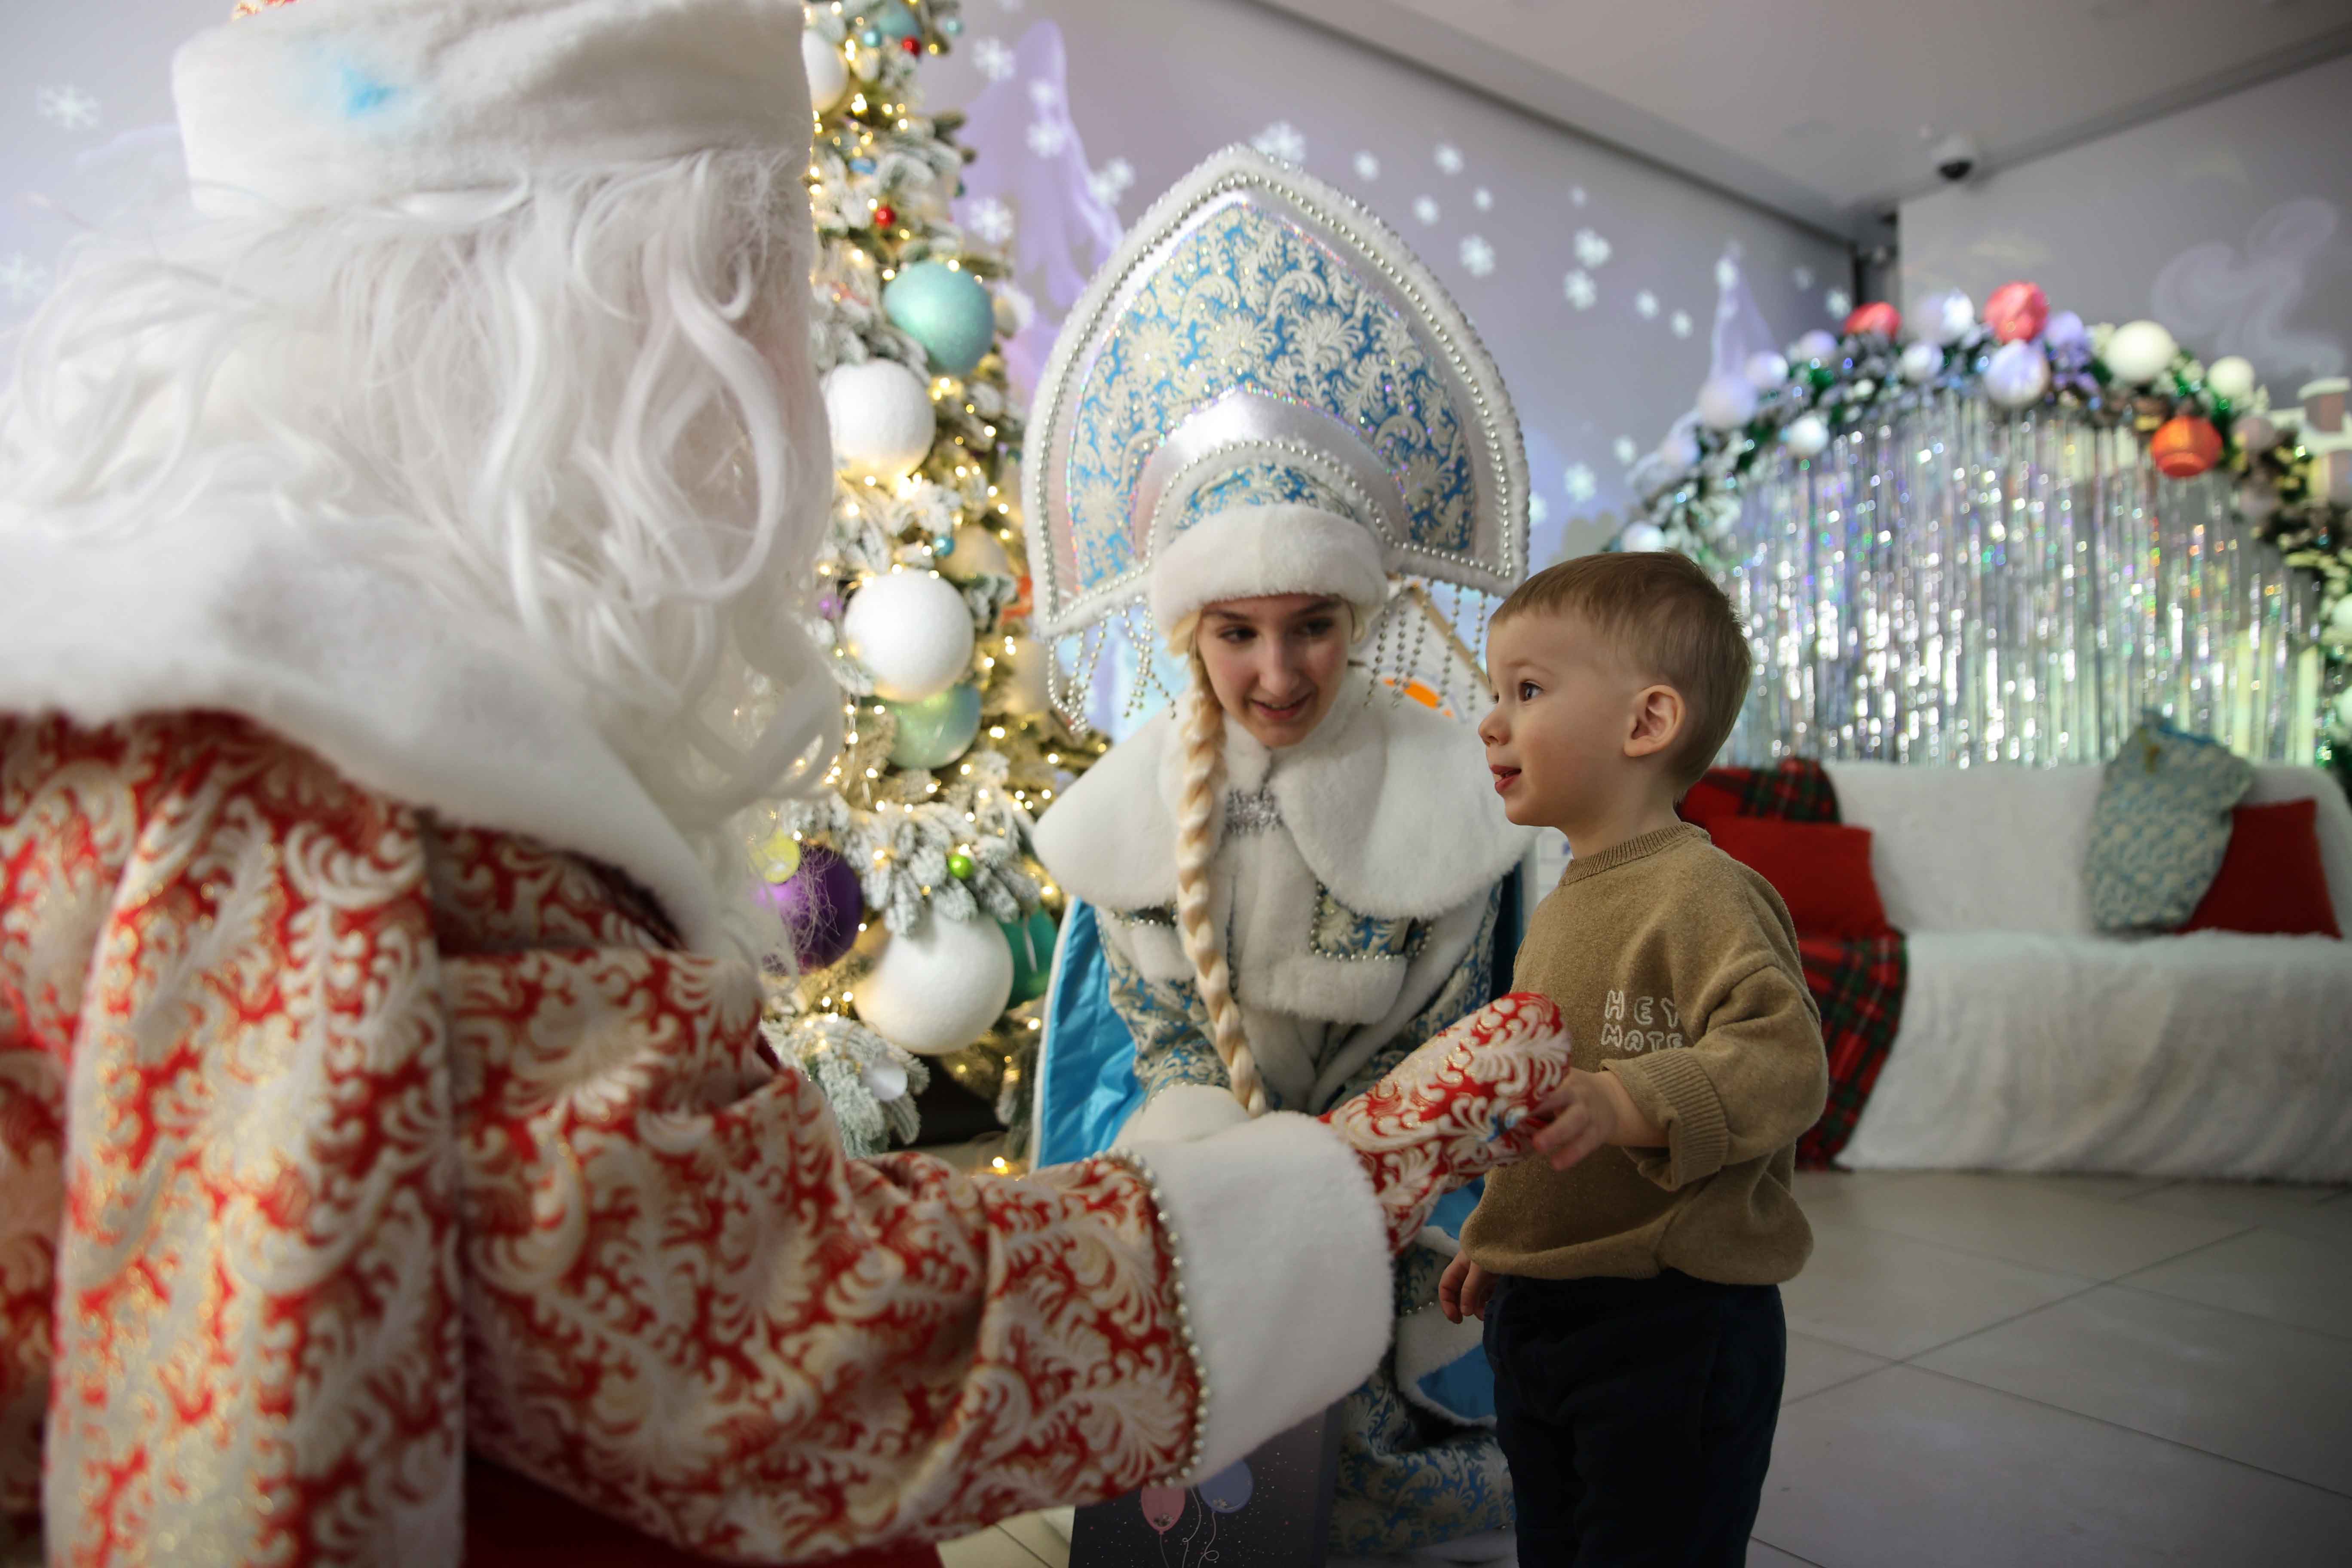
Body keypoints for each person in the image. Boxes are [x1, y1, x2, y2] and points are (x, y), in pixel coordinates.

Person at [0, 4, 1578, 1564]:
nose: (795, 403)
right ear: (621, 320)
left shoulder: (294, 717)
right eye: (765, 296)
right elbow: (791, 1340)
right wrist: (1351, 1168)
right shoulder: (322, 810)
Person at [1023, 147, 1539, 1565]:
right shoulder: (1139, 801)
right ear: (1188, 630)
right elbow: (1159, 1032)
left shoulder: (1450, 789)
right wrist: (1225, 1170)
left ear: (1362, 613)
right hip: (1213, 1172)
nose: (1275, 671)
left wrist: (1342, 1176)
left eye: (1311, 622)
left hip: (1401, 1182)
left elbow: (1446, 1028)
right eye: (1235, 631)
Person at [1439, 551, 1831, 1568]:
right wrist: (1504, 1233)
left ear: (1646, 724)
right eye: (1495, 693)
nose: (1491, 721)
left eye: (1526, 691)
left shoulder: (1703, 894)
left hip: (1670, 1324)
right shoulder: (1563, 902)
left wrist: (1628, 1099)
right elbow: (1548, 1106)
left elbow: (1782, 1061)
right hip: (1549, 1313)